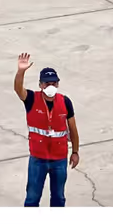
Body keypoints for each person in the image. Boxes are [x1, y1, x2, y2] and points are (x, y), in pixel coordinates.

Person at [14, 54, 80, 207]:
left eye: (53, 83)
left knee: (58, 197)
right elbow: (18, 89)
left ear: (58, 84)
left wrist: (75, 152)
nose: (50, 86)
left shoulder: (65, 102)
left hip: (59, 159)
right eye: (46, 83)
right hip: (38, 159)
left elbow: (73, 129)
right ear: (40, 85)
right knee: (32, 198)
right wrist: (21, 72)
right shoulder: (31, 99)